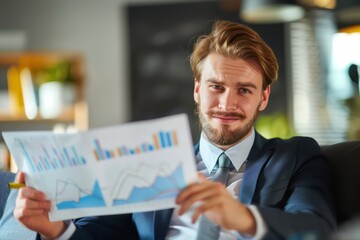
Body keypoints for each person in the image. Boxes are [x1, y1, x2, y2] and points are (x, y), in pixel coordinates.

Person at [13, 20, 336, 240]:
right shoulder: (147, 159)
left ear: (263, 97)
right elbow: (97, 233)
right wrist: (54, 229)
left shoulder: (295, 156)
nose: (227, 103)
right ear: (197, 89)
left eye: (245, 90)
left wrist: (241, 217)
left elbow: (315, 228)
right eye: (216, 87)